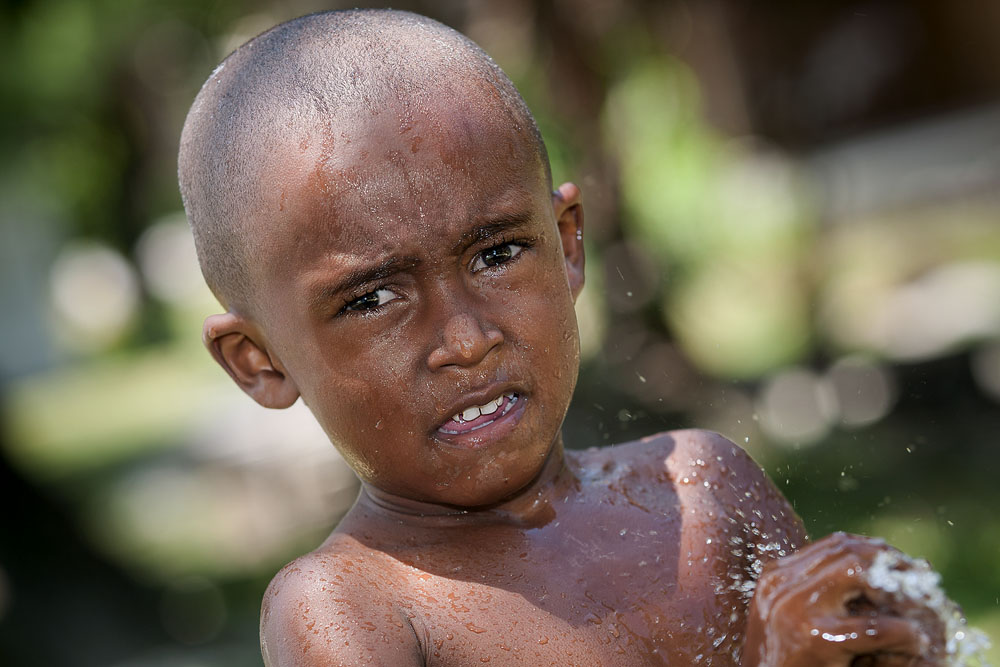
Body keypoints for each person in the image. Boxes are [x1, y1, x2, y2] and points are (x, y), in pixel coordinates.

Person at [178, 9, 948, 666]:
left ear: (568, 243)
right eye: (373, 298)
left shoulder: (707, 491)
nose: (466, 339)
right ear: (260, 361)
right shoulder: (353, 607)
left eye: (497, 254)